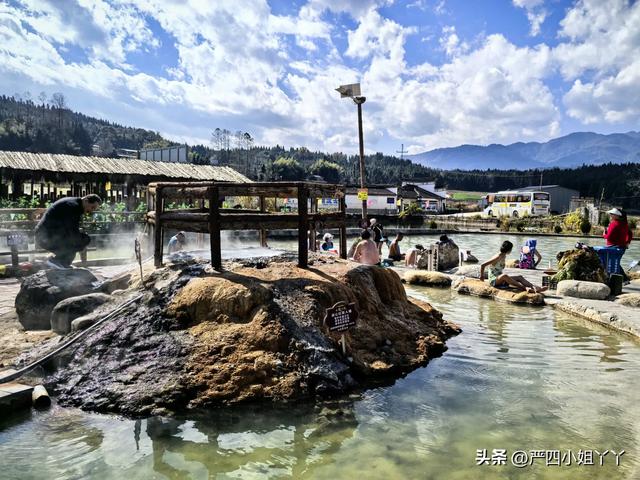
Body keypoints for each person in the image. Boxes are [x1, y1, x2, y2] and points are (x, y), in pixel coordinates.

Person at [35, 194, 102, 269]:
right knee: (82, 239)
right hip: (45, 237)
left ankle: (63, 263)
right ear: (86, 200)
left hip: (47, 236)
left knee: (78, 239)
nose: (91, 211)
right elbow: (71, 231)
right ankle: (56, 261)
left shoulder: (74, 204)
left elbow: (70, 229)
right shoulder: (73, 206)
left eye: (94, 209)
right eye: (92, 207)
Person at [480, 240, 547, 293]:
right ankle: (525, 288)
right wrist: (482, 276)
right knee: (505, 276)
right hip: (493, 280)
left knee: (519, 277)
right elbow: (483, 265)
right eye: (511, 249)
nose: (511, 251)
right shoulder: (498, 256)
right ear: (508, 249)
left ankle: (535, 287)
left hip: (500, 279)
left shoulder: (503, 255)